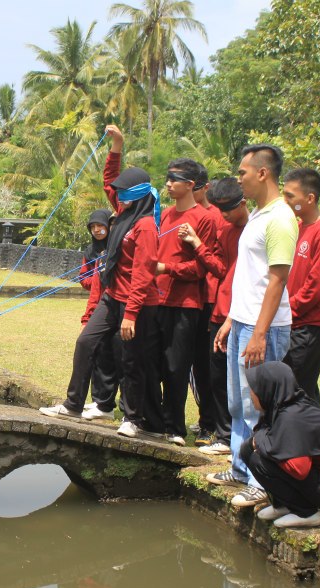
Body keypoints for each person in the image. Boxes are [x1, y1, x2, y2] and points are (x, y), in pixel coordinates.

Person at [40, 125, 159, 439]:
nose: (115, 193)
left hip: (135, 304)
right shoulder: (122, 212)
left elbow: (145, 274)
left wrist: (132, 313)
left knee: (131, 359)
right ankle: (73, 403)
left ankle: (133, 419)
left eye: (122, 190)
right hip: (111, 296)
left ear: (135, 194)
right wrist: (117, 146)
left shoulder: (145, 225)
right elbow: (109, 179)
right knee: (86, 342)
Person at [206, 144, 298, 508]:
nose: (238, 179)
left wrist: (260, 333)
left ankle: (262, 480)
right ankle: (241, 467)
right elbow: (250, 277)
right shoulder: (260, 215)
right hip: (244, 321)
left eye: (243, 172)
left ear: (262, 173)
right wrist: (232, 319)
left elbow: (277, 280)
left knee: (259, 406)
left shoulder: (280, 218)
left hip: (266, 328)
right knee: (238, 403)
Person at [144, 158, 216, 445]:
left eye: (174, 179)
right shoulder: (165, 215)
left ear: (190, 184)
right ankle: (154, 420)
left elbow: (201, 269)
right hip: (157, 299)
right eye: (167, 178)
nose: (168, 184)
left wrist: (165, 268)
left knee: (177, 366)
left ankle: (175, 428)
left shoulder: (205, 218)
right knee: (153, 362)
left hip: (186, 303)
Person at [179, 178, 248, 455]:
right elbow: (219, 268)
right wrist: (198, 244)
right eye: (220, 209)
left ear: (243, 203)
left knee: (238, 379)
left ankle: (231, 435)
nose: (224, 215)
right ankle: (223, 433)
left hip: (240, 312)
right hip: (221, 309)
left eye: (228, 209)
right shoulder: (227, 229)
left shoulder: (254, 230)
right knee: (217, 374)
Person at [239, 362, 320, 528]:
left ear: (268, 389)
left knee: (260, 459)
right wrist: (262, 442)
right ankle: (283, 505)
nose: (250, 394)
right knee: (248, 450)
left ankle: (307, 513)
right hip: (316, 477)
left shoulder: (292, 416)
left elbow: (299, 469)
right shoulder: (279, 407)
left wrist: (263, 442)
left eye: (254, 389)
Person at [281, 168, 320, 403]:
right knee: (300, 386)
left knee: (296, 387)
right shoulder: (298, 226)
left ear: (310, 198)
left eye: (290, 196)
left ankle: (307, 437)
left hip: (309, 323)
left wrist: (288, 308)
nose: (285, 201)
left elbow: (319, 284)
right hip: (293, 319)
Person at [77, 209, 123, 421]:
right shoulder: (92, 252)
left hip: (120, 306)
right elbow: (85, 280)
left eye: (101, 226)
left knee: (121, 357)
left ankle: (123, 407)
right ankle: (101, 401)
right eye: (93, 227)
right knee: (99, 354)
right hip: (100, 305)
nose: (97, 230)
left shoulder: (119, 249)